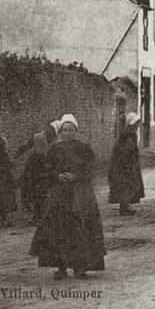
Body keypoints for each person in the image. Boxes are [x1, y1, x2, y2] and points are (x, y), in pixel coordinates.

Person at [30, 114, 106, 280]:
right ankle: (61, 267)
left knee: (81, 229)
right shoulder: (54, 149)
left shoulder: (84, 148)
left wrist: (76, 177)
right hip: (60, 195)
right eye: (65, 130)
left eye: (71, 130)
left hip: (80, 194)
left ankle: (80, 267)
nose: (68, 133)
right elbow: (47, 170)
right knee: (59, 230)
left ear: (76, 131)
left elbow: (92, 170)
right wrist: (57, 176)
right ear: (60, 132)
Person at [109, 112, 146, 215]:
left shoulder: (129, 132)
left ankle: (125, 206)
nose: (139, 124)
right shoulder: (129, 134)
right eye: (137, 122)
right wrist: (130, 163)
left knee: (126, 185)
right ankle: (124, 207)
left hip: (124, 163)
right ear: (133, 123)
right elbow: (127, 149)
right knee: (127, 185)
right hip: (125, 164)